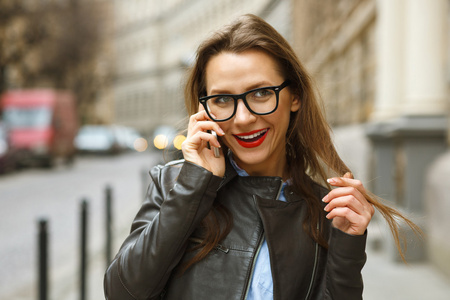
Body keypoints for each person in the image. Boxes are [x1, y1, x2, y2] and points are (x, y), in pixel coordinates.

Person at [104, 14, 418, 300]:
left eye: (261, 93)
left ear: (294, 96)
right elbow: (122, 293)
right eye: (223, 99)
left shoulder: (326, 212)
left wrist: (349, 243)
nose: (242, 118)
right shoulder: (175, 184)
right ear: (204, 109)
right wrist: (193, 187)